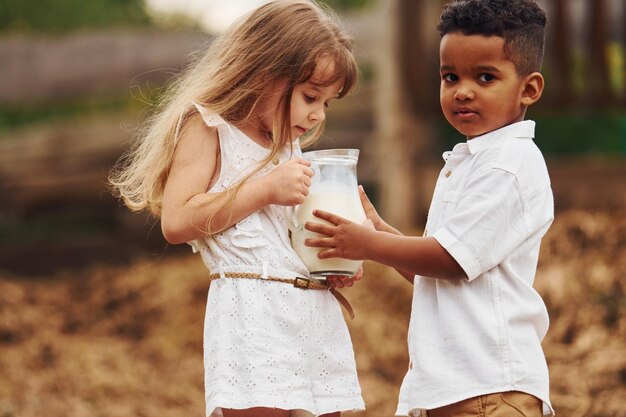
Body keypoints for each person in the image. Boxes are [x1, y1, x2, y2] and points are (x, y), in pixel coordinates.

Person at [109, 1, 365, 416]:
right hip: (254, 318)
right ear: (265, 73)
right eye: (310, 96)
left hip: (311, 313)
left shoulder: (286, 144)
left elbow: (283, 235)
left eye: (327, 103)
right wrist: (264, 189)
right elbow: (177, 221)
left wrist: (329, 259)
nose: (317, 114)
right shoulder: (208, 127)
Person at [304, 0, 555, 416]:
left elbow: (450, 261)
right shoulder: (469, 161)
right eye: (450, 76)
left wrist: (365, 243)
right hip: (453, 386)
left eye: (485, 77)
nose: (462, 90)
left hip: (491, 387)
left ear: (528, 89)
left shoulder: (509, 166)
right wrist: (380, 229)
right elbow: (433, 269)